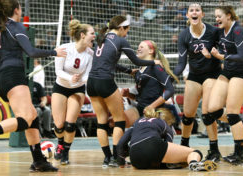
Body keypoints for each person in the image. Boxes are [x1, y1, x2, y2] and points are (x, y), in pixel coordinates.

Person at [0, 0, 66, 172]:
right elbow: (32, 52)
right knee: (25, 118)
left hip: (0, 78)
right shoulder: (16, 27)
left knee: (32, 115)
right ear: (16, 9)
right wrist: (54, 52)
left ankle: (39, 161)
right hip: (13, 75)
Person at [87, 15, 161, 168]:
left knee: (101, 121)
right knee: (119, 120)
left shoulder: (102, 38)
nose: (127, 33)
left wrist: (128, 71)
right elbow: (137, 61)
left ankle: (107, 158)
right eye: (127, 30)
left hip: (92, 82)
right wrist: (154, 61)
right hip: (105, 82)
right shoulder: (120, 40)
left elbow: (110, 63)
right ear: (121, 28)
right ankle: (116, 158)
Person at [173, 4, 222, 158]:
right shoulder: (183, 35)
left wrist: (213, 54)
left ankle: (214, 150)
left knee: (207, 114)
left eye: (197, 10)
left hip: (212, 74)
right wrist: (170, 76)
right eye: (191, 11)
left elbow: (223, 52)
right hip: (194, 75)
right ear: (187, 15)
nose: (194, 12)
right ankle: (184, 147)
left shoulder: (213, 32)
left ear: (202, 14)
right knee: (187, 116)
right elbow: (181, 63)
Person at [207, 6, 243, 165]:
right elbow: (207, 37)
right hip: (227, 72)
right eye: (215, 16)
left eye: (219, 16)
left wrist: (221, 56)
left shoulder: (238, 30)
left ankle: (239, 155)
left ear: (228, 16)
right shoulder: (219, 31)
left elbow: (241, 56)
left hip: (241, 73)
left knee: (232, 113)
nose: (216, 19)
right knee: (212, 109)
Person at [117, 107, 217, 171]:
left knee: (160, 161)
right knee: (195, 152)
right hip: (152, 146)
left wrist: (121, 162)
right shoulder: (164, 124)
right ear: (169, 120)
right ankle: (194, 163)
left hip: (135, 159)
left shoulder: (137, 122)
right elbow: (169, 145)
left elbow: (120, 144)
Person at [52, 19, 95, 165]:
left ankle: (65, 152)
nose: (94, 36)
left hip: (77, 89)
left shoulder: (90, 54)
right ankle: (59, 144)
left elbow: (88, 75)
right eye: (92, 33)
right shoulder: (64, 48)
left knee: (70, 124)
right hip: (61, 87)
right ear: (82, 35)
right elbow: (58, 71)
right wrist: (71, 77)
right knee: (59, 126)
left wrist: (79, 80)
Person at [121, 40, 179, 126]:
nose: (138, 49)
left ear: (151, 51)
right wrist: (128, 95)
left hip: (155, 110)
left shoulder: (156, 67)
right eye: (138, 47)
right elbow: (143, 97)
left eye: (142, 47)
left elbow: (170, 90)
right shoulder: (138, 71)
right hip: (141, 109)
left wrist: (151, 106)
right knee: (120, 122)